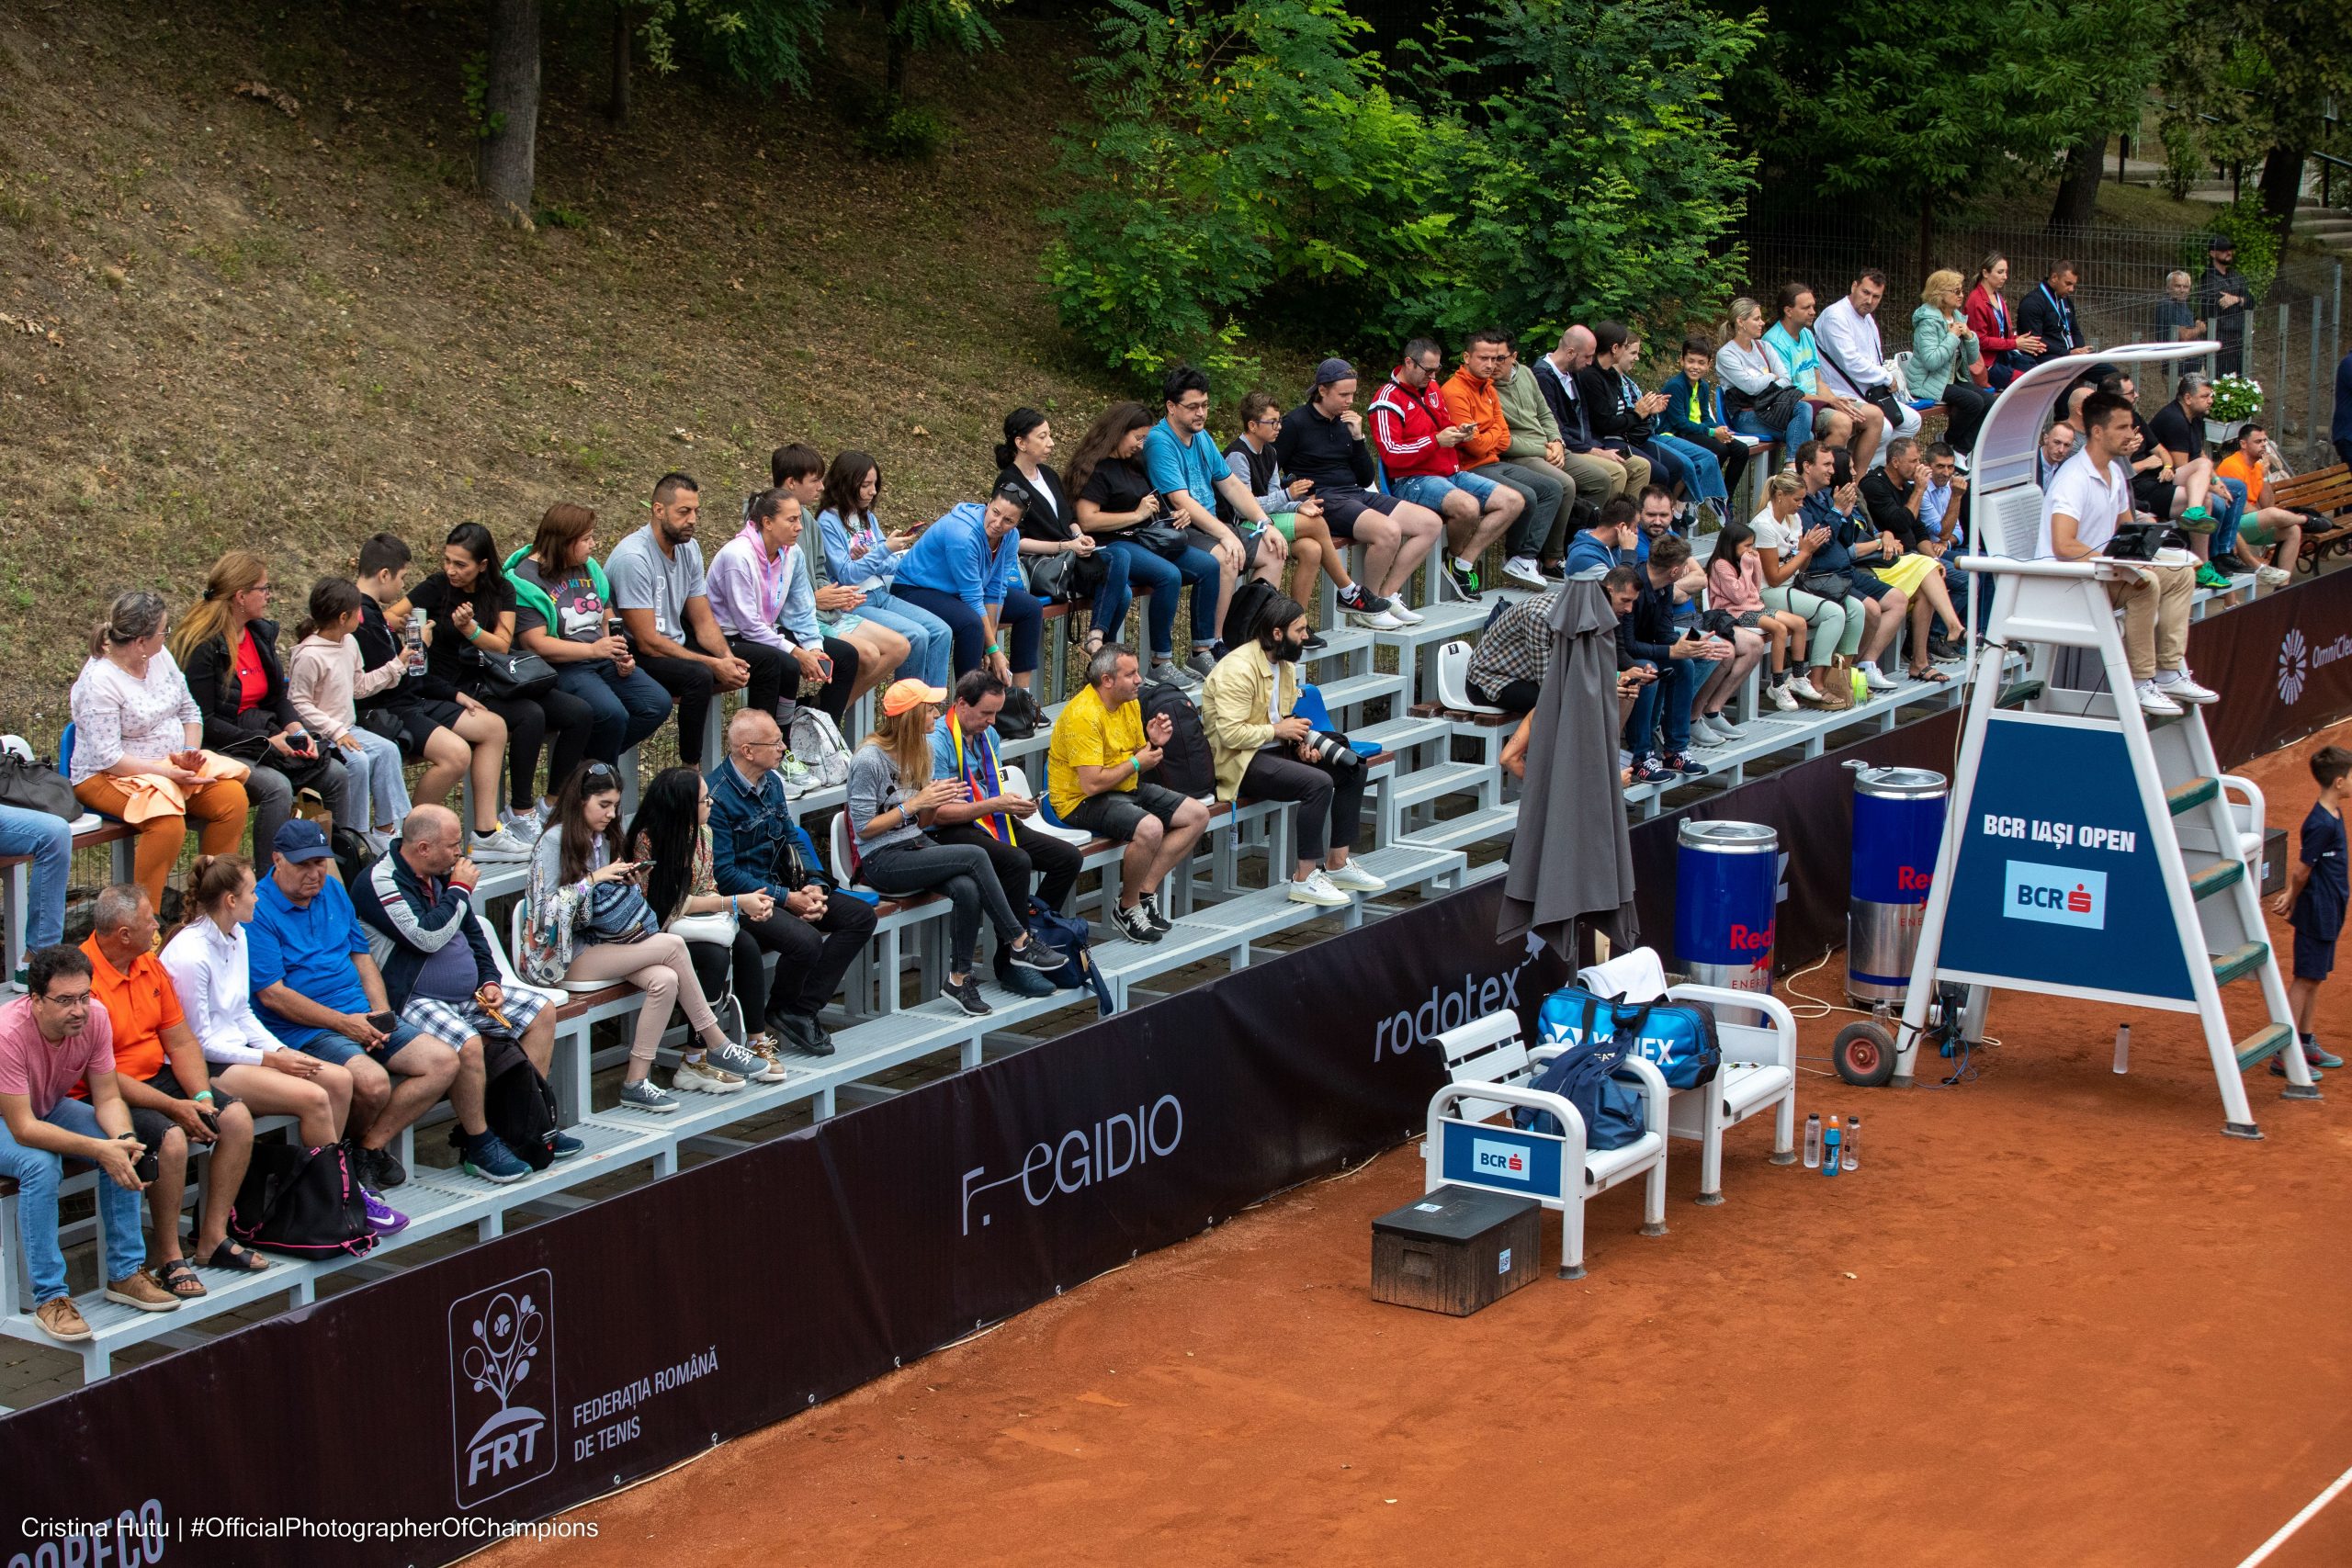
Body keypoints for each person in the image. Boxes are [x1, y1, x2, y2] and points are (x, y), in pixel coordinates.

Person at [246, 819, 510, 1193]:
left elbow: (361, 955)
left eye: (320, 862)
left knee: (443, 1061)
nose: (314, 873)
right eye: (303, 864)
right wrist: (346, 1024)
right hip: (307, 1028)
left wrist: (382, 1013)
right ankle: (344, 1159)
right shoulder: (259, 909)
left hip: (361, 1012)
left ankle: (366, 1148)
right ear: (277, 859)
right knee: (372, 1084)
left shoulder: (331, 889)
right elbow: (274, 996)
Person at [160, 852, 413, 1232]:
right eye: (251, 892)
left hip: (241, 1053)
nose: (257, 898)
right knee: (314, 1098)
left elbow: (242, 1012)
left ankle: (328, 1194)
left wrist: (281, 1050)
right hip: (205, 1066)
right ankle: (341, 1199)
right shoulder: (190, 954)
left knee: (339, 1079)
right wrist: (271, 1060)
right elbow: (198, 1042)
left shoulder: (237, 934)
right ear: (231, 900)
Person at [524, 763, 766, 1109]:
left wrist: (625, 883)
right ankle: (717, 1043)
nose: (611, 814)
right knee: (674, 945)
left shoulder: (601, 838)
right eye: (603, 805)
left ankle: (635, 1082)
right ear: (580, 801)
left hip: (603, 942)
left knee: (665, 979)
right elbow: (544, 912)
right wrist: (594, 880)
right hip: (560, 956)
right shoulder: (553, 840)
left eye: (615, 806)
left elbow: (600, 903)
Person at [353, 805, 566, 1180]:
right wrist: (459, 890)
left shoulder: (440, 873)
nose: (459, 852)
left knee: (541, 1011)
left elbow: (473, 935)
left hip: (467, 993)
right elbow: (425, 937)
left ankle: (525, 1122)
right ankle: (479, 1143)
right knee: (467, 1044)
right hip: (412, 997)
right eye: (452, 845)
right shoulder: (379, 881)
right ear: (423, 848)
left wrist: (490, 981)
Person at [77, 884, 266, 1299]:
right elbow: (101, 1075)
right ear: (124, 934)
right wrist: (175, 1107)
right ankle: (168, 1256)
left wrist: (200, 1098)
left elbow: (180, 1041)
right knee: (172, 1139)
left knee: (234, 1118)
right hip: (105, 1090)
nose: (158, 926)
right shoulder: (84, 979)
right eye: (150, 920)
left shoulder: (148, 963)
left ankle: (212, 1238)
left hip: (155, 1075)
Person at [848, 682, 1067, 1017]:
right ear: (911, 716)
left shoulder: (923, 749)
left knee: (967, 888)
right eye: (930, 709)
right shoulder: (868, 758)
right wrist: (913, 804)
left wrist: (932, 803)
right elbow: (863, 829)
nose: (937, 714)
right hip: (881, 858)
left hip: (915, 843)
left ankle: (959, 979)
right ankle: (1020, 942)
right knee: (975, 855)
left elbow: (922, 824)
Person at [1, 944, 181, 1342]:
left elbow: (109, 1097)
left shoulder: (95, 1018)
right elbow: (23, 1129)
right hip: (10, 1118)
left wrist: (123, 1140)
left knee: (121, 1144)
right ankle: (50, 1297)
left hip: (45, 1106)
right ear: (36, 1000)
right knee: (40, 1165)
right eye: (65, 1000)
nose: (79, 1009)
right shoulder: (7, 1034)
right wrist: (101, 1150)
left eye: (84, 996)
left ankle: (125, 1274)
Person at [707, 708, 879, 1055]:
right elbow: (724, 875)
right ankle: (783, 1008)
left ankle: (800, 1009)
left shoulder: (771, 782)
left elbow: (792, 838)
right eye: (775, 743)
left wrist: (814, 885)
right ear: (748, 751)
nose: (784, 748)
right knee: (806, 941)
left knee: (860, 917)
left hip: (782, 885)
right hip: (742, 902)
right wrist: (788, 899)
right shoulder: (717, 797)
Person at [69, 591, 252, 910]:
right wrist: (167, 772)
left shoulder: (159, 656)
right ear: (141, 641)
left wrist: (189, 754)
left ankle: (210, 908)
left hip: (170, 767)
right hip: (106, 776)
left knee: (232, 798)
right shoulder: (99, 682)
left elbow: (190, 711)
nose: (167, 636)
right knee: (166, 823)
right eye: (163, 631)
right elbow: (109, 758)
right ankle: (144, 919)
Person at [1199, 597, 1386, 908]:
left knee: (1354, 769)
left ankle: (1338, 863)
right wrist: (1279, 731)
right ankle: (1304, 878)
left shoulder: (1285, 664)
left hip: (1275, 750)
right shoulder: (1237, 669)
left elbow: (1284, 718)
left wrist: (1301, 746)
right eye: (1299, 630)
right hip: (1240, 761)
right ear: (1277, 633)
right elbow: (1230, 735)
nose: (1305, 635)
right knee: (1318, 783)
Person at [407, 523, 595, 831]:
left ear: (482, 565)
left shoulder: (501, 589)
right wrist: (416, 631)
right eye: (447, 561)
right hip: (456, 686)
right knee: (530, 715)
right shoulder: (436, 587)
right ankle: (520, 811)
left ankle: (551, 804)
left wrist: (471, 630)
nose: (451, 570)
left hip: (497, 675)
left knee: (579, 713)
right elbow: (393, 616)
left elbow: (501, 645)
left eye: (460, 564)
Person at [2039, 389, 2213, 716]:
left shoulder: (2115, 473)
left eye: (2131, 426)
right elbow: (2063, 545)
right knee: (2145, 584)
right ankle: (2141, 680)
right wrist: (2120, 564)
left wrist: (2152, 554)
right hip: (2069, 582)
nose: (2132, 434)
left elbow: (2127, 531)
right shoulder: (2072, 478)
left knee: (2179, 574)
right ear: (2097, 432)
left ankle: (2168, 673)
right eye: (2122, 427)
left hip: (2103, 574)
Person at [170, 551, 353, 853]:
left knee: (336, 774)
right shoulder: (204, 645)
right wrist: (266, 742)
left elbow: (278, 696)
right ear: (241, 596)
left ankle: (331, 863)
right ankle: (272, 874)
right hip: (223, 746)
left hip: (263, 735)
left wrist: (297, 731)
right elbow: (204, 720)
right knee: (277, 788)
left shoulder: (259, 634)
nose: (269, 595)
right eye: (264, 589)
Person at [928, 670, 1083, 998]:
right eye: (986, 713)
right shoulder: (936, 742)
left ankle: (1033, 930)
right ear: (961, 704)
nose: (992, 721)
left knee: (1067, 858)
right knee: (1016, 861)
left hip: (988, 818)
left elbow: (990, 787)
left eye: (996, 713)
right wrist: (995, 804)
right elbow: (938, 814)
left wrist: (1016, 807)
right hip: (948, 830)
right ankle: (1014, 960)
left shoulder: (989, 736)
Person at [352, 534, 518, 839]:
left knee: (494, 727)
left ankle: (486, 834)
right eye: (402, 578)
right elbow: (391, 679)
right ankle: (410, 838)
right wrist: (421, 647)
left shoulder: (373, 615)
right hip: (392, 709)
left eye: (459, 564)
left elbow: (409, 676)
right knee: (456, 754)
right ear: (385, 575)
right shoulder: (363, 618)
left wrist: (455, 694)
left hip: (417, 695)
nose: (403, 586)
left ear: (483, 565)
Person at [627, 766, 790, 1073]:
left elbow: (707, 887)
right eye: (704, 800)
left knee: (746, 946)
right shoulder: (648, 841)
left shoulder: (704, 832)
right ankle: (695, 1057)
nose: (711, 804)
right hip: (656, 930)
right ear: (682, 805)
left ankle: (756, 1040)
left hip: (695, 921)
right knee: (714, 957)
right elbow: (663, 905)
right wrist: (734, 903)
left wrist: (742, 908)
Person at [1046, 644, 1210, 944]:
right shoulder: (1083, 716)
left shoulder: (1129, 701)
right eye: (1130, 674)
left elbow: (1135, 755)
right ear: (1107, 680)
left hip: (1122, 786)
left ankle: (1144, 892)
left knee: (1197, 815)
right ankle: (1127, 907)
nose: (1139, 680)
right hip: (1079, 801)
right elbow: (1092, 784)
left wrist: (1153, 743)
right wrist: (1137, 762)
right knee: (1150, 828)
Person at [605, 472, 758, 768]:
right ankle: (691, 769)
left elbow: (703, 620)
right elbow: (647, 642)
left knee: (766, 661)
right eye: (684, 512)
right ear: (658, 510)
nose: (693, 520)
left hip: (674, 640)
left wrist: (727, 658)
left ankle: (764, 758)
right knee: (699, 676)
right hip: (635, 652)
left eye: (696, 511)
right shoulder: (633, 558)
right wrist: (714, 664)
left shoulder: (690, 548)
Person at [1066, 402, 1224, 688]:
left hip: (1147, 538)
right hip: (1114, 544)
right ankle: (1160, 662)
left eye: (1144, 439)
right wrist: (1136, 515)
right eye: (1137, 438)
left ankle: (1202, 650)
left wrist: (1177, 515)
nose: (1141, 445)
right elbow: (1087, 520)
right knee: (1169, 575)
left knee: (1209, 566)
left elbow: (1152, 504)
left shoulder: (1135, 464)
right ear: (1118, 432)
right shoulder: (1097, 469)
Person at [1272, 360, 1440, 627]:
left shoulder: (1345, 422)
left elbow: (1364, 478)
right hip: (1323, 497)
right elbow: (1270, 470)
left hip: (1354, 492)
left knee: (1430, 524)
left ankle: (1385, 597)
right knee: (1388, 531)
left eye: (1352, 394)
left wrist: (1359, 439)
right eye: (1343, 395)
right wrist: (1294, 499)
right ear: (1322, 390)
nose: (1350, 401)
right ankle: (1364, 604)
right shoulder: (1295, 423)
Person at [507, 502, 676, 766]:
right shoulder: (526, 579)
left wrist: (619, 653)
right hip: (564, 666)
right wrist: (593, 650)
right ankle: (599, 776)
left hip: (602, 657)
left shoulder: (589, 567)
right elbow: (535, 643)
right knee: (612, 714)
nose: (593, 544)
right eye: (586, 539)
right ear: (564, 542)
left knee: (656, 703)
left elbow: (608, 617)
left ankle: (586, 763)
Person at [1145, 365, 1290, 657]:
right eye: (1193, 407)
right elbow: (1180, 501)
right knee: (1226, 557)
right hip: (1180, 527)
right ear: (1171, 407)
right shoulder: (1159, 442)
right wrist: (1226, 534)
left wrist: (1265, 524)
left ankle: (1248, 634)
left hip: (1209, 524)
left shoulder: (1201, 436)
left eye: (1205, 405)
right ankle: (1214, 644)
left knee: (1274, 550)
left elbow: (1232, 485)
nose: (1201, 413)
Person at [1373, 337, 1524, 601]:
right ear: (1409, 362)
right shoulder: (1386, 399)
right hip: (1412, 479)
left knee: (1513, 501)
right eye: (1428, 370)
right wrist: (1435, 441)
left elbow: (1443, 424)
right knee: (1467, 507)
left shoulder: (1431, 388)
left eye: (1437, 370)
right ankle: (1454, 556)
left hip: (1449, 472)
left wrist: (1459, 432)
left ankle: (1462, 564)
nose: (1433, 377)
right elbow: (1391, 454)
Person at [705, 489, 862, 730]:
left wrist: (814, 648)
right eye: (792, 520)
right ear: (767, 523)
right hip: (729, 637)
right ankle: (773, 739)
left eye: (799, 518)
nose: (799, 527)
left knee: (846, 656)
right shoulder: (738, 556)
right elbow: (748, 626)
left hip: (765, 631)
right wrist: (798, 653)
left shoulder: (792, 553)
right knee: (785, 663)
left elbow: (802, 608)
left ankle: (821, 735)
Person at [768, 444, 910, 703]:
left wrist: (835, 596)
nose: (821, 487)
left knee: (901, 646)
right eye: (814, 480)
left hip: (827, 609)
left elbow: (820, 570)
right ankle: (821, 712)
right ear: (791, 482)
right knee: (866, 654)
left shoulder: (808, 521)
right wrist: (815, 598)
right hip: (796, 620)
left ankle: (822, 712)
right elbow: (770, 592)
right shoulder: (775, 525)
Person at [288, 577, 413, 857]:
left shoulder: (349, 643)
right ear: (343, 617)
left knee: (387, 750)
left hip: (348, 730)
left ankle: (386, 830)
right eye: (357, 611)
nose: (361, 616)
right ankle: (354, 834)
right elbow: (299, 703)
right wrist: (335, 731)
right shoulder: (309, 655)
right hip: (320, 737)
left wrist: (396, 666)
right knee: (358, 761)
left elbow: (358, 686)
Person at [815, 452, 957, 692]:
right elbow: (846, 574)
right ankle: (907, 710)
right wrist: (881, 552)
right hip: (855, 601)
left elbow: (892, 564)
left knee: (941, 631)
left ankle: (931, 705)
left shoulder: (867, 517)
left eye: (875, 485)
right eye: (865, 485)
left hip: (882, 593)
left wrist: (873, 556)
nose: (873, 492)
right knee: (917, 635)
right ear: (845, 483)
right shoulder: (828, 521)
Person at [893, 484, 1048, 697]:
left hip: (956, 591)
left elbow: (996, 589)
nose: (998, 523)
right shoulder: (963, 536)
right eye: (995, 512)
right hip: (915, 588)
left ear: (1017, 523)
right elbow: (973, 599)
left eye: (1008, 520)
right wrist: (993, 650)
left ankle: (1022, 700)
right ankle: (968, 703)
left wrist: (990, 647)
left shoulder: (1011, 538)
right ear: (988, 504)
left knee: (1030, 607)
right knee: (971, 624)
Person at [1443, 331, 1566, 591]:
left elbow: (1504, 436)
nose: (1490, 365)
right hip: (1468, 468)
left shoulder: (1488, 387)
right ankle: (1497, 558)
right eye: (1483, 358)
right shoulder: (1454, 392)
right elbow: (1474, 446)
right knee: (1526, 495)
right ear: (1466, 357)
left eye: (1494, 358)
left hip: (1493, 461)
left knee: (1552, 488)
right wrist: (1492, 435)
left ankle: (1523, 558)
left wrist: (1487, 435)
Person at [1224, 389, 1351, 627]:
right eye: (1272, 422)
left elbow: (1275, 498)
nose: (1279, 427)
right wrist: (1288, 496)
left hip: (1265, 521)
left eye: (1279, 421)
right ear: (1252, 425)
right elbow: (1243, 508)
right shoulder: (1237, 456)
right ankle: (1349, 591)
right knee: (1315, 524)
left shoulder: (1270, 451)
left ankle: (1295, 623)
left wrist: (1299, 505)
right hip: (1242, 526)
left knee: (1312, 549)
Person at [997, 408, 1116, 660]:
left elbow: (1068, 519)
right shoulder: (1008, 482)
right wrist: (1065, 547)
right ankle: (1098, 645)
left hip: (1069, 556)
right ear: (1021, 443)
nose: (1051, 443)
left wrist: (1079, 536)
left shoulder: (1049, 474)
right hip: (1047, 566)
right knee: (1119, 559)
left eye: (1049, 435)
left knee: (1121, 586)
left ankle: (1100, 652)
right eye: (1042, 436)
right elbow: (1014, 539)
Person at [1592, 322, 1732, 525]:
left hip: (1641, 436)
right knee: (1670, 467)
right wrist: (1641, 413)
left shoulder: (1628, 382)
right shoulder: (1602, 379)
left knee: (1717, 454)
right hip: (1628, 440)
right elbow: (1616, 421)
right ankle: (1653, 518)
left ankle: (1689, 507)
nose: (1637, 358)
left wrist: (1651, 412)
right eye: (1633, 352)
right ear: (1617, 350)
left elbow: (1641, 418)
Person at [1797, 440, 1909, 692]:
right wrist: (1837, 512)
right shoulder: (1800, 502)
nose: (1831, 470)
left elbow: (1846, 540)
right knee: (1871, 610)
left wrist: (1846, 516)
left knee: (1897, 600)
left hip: (1845, 572)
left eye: (1831, 464)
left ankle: (1863, 665)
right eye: (1826, 464)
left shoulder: (1826, 496)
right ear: (1807, 466)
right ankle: (1840, 674)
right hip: (1822, 577)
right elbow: (1819, 546)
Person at [2267, 745, 2349, 1077]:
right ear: (2339, 782)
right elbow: (2302, 871)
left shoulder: (2334, 814)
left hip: (2330, 908)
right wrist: (2291, 895)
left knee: (2315, 978)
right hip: (2317, 910)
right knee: (2304, 979)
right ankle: (2283, 1053)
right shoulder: (2320, 824)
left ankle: (2305, 1042)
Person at [1857, 438, 1972, 675]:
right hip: (1885, 561)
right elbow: (1899, 523)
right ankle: (1947, 632)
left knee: (1930, 587)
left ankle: (1920, 661)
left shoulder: (1907, 488)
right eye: (1914, 461)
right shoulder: (1874, 484)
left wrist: (1935, 561)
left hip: (1914, 558)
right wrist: (1919, 490)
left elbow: (1920, 533)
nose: (1919, 466)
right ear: (1895, 461)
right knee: (1959, 579)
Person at [1621, 536, 1727, 784]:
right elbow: (1627, 645)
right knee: (1648, 670)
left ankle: (1675, 751)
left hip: (1644, 649)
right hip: (1619, 654)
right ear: (1675, 570)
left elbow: (1664, 633)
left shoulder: (1665, 586)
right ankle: (1640, 756)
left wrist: (1690, 646)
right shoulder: (1634, 587)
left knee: (1684, 664)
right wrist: (1672, 651)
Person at [1747, 473, 1842, 705]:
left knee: (1851, 608)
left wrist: (1809, 549)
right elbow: (1774, 578)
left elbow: (1802, 567)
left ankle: (1803, 677)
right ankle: (1813, 680)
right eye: (1797, 500)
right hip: (1767, 592)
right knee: (1834, 613)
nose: (1801, 505)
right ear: (1780, 495)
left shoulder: (1794, 519)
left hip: (1793, 585)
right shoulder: (1763, 525)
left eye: (1802, 499)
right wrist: (1805, 551)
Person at [1535, 327, 1656, 506]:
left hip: (1587, 444)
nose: (1591, 362)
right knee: (1616, 472)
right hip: (1564, 448)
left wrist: (1597, 447)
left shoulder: (1573, 374)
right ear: (1570, 353)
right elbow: (1556, 429)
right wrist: (1594, 451)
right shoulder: (1543, 377)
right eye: (1587, 357)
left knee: (1641, 467)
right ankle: (1605, 522)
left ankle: (1628, 519)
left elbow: (1584, 421)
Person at [2144, 372, 2245, 585]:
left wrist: (2217, 482)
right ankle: (2214, 556)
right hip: (2163, 480)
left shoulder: (2196, 418)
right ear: (2188, 398)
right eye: (2205, 396)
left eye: (2211, 395)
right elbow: (2181, 467)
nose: (2210, 400)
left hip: (2192, 478)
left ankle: (2224, 551)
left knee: (2236, 488)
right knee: (2216, 502)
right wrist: (2212, 488)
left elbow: (2200, 454)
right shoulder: (2174, 419)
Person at [1766, 284, 1883, 467]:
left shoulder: (1806, 334)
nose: (1813, 312)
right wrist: (1830, 402)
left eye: (1813, 306)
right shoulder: (1774, 341)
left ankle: (1856, 481)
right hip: (1797, 406)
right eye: (1806, 308)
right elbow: (1788, 393)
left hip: (1817, 400)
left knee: (1874, 416)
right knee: (1843, 422)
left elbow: (1818, 380)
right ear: (1788, 311)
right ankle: (1820, 479)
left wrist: (1835, 400)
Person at [1491, 344, 1579, 581]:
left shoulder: (1526, 374)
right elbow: (1502, 441)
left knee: (1603, 477)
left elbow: (1545, 413)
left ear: (1514, 357)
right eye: (1488, 358)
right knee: (1563, 485)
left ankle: (1582, 549)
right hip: (1522, 453)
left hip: (1548, 446)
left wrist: (1557, 441)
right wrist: (1543, 449)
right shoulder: (1486, 386)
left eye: (1500, 358)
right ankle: (1549, 558)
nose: (1493, 364)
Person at [1707, 522, 1809, 713]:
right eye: (1746, 545)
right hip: (1733, 613)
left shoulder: (1742, 561)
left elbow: (1755, 589)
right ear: (1731, 544)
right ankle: (1777, 683)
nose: (1750, 549)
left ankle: (1797, 676)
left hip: (1754, 608)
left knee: (1799, 623)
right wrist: (1747, 566)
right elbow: (1738, 597)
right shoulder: (1720, 565)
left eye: (1752, 545)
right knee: (1779, 629)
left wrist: (1755, 563)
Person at [1815, 268, 1920, 448]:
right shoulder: (1836, 316)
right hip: (1839, 393)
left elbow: (1874, 359)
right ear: (1854, 286)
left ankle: (1873, 463)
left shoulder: (1868, 318)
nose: (1870, 301)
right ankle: (1857, 463)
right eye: (1866, 292)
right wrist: (1886, 377)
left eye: (1876, 296)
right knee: (1884, 428)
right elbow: (1851, 362)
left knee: (1912, 421)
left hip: (1869, 393)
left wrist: (1884, 378)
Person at [1659, 333, 1753, 510]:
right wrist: (1712, 432)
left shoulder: (1702, 386)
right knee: (1720, 449)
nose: (1695, 367)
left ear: (1709, 365)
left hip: (1697, 430)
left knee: (1741, 450)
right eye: (1691, 361)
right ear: (1682, 360)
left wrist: (1719, 430)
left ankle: (1725, 498)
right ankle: (1699, 493)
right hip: (1677, 434)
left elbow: (1705, 416)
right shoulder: (1676, 386)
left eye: (1701, 363)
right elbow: (1679, 423)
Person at [1909, 270, 1993, 458]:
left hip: (1951, 378)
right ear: (1939, 294)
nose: (1961, 295)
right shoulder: (1928, 322)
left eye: (1961, 290)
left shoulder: (1957, 317)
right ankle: (1947, 441)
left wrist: (1970, 337)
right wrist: (1953, 336)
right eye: (1956, 291)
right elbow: (1932, 362)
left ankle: (1961, 452)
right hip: (1927, 381)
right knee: (1974, 402)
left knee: (1989, 401)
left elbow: (1972, 359)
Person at [1714, 299, 1815, 447]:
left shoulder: (1765, 347)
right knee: (1805, 435)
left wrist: (1764, 384)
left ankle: (1792, 461)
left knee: (1804, 407)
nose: (1762, 323)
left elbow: (1786, 379)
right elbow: (1750, 387)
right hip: (1745, 415)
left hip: (1771, 408)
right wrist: (1772, 376)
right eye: (1757, 319)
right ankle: (1793, 461)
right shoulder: (1727, 354)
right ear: (1740, 322)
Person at [2213, 423, 2303, 586]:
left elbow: (2268, 504)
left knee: (2293, 531)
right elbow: (2240, 507)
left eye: (2264, 441)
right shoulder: (2232, 465)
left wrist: (2266, 475)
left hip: (2250, 523)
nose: (2263, 445)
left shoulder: (2258, 466)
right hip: (2232, 524)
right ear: (2243, 444)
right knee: (2273, 514)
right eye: (2258, 441)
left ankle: (2283, 586)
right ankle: (2307, 519)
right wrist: (2265, 516)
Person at [1464, 582, 1561, 716]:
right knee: (1555, 704)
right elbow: (1546, 682)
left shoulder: (1575, 607)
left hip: (1524, 677)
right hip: (1488, 681)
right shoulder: (1539, 617)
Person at [1964, 252, 2044, 391]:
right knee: (2029, 383)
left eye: (2006, 272)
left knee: (2040, 374)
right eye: (2000, 272)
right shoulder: (1975, 301)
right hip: (1986, 363)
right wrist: (2015, 343)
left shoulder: (1998, 297)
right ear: (1985, 273)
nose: (2005, 277)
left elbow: (2002, 335)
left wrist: (2025, 342)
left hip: (2003, 355)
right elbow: (1981, 341)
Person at [2015, 260, 2089, 369]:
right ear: (2054, 277)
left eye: (2074, 285)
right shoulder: (2032, 302)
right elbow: (2036, 341)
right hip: (2045, 357)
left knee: (2109, 371)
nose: (2072, 289)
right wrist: (2068, 353)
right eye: (2068, 284)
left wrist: (2080, 350)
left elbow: (2075, 331)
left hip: (2070, 355)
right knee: (2067, 373)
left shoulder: (2065, 299)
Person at [2199, 236, 2253, 377]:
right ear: (2212, 253)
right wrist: (2241, 300)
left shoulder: (2235, 276)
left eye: (2229, 249)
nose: (2228, 252)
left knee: (2241, 380)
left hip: (2239, 337)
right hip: (2220, 338)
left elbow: (2251, 301)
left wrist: (2236, 299)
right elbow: (2219, 303)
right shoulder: (2208, 278)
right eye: (2223, 250)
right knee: (2221, 381)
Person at [2154, 269, 2205, 344]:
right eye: (2177, 286)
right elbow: (2184, 336)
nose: (2182, 290)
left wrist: (2196, 323)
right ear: (2168, 288)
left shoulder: (2182, 303)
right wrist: (2199, 329)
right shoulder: (2168, 305)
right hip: (2172, 349)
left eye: (2186, 287)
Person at [2035, 421, 2077, 490]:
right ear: (2046, 439)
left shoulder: (2066, 469)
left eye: (2067, 445)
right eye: (2057, 442)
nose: (2061, 450)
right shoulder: (2029, 464)